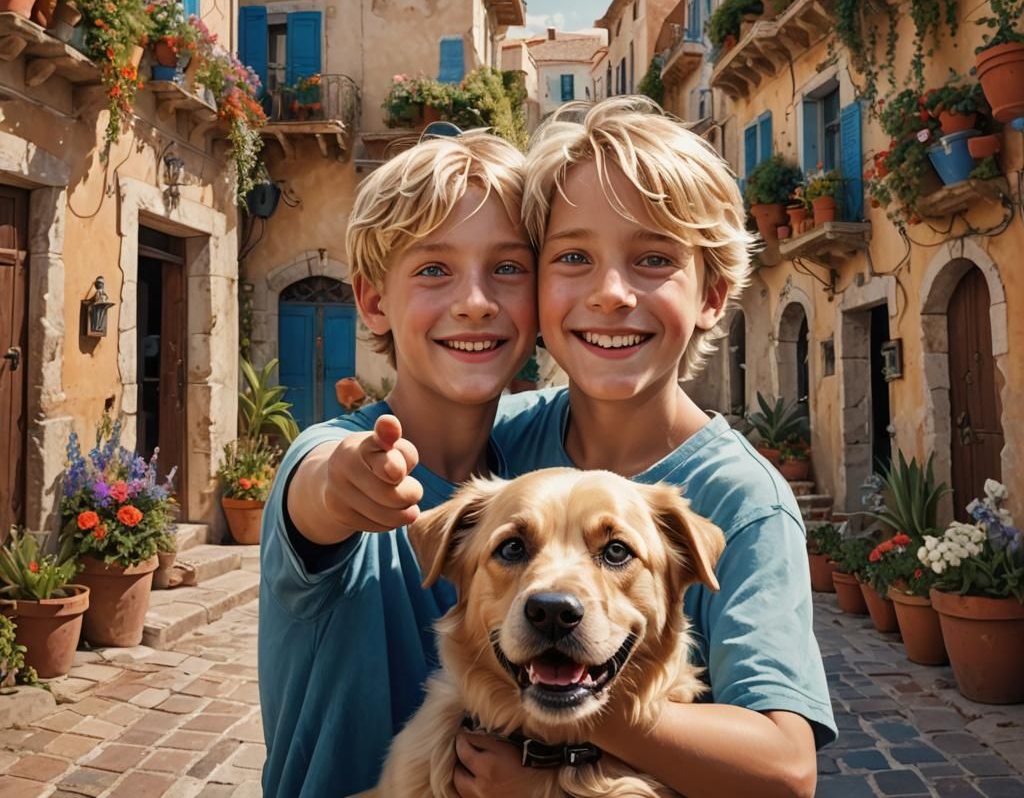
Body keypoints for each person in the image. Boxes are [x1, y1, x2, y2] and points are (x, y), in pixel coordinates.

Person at [450, 97, 836, 798]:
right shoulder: (501, 440)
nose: (611, 294)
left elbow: (786, 767)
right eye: (573, 257)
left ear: (713, 294)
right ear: (536, 285)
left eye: (654, 259)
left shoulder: (745, 500)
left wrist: (556, 749)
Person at [257, 129, 537, 797]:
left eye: (507, 267)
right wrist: (354, 479)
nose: (475, 299)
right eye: (434, 270)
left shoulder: (535, 469)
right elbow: (320, 487)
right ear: (374, 301)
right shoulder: (327, 452)